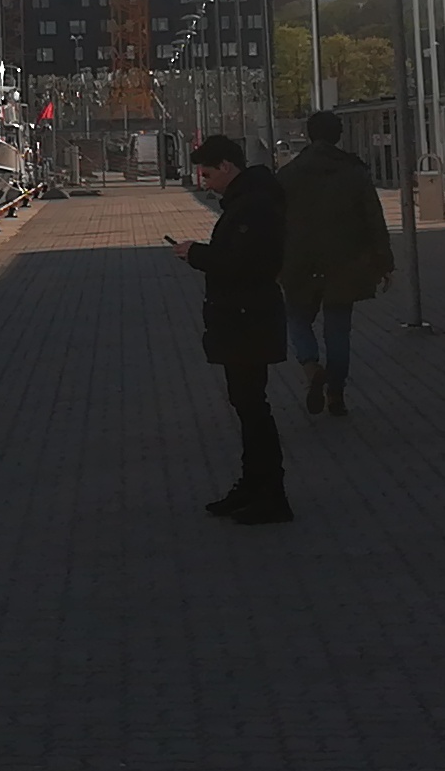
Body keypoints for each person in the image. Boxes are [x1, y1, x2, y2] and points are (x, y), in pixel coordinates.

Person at [166, 133, 292, 525]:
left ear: (227, 167)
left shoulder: (252, 207)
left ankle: (269, 494)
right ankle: (254, 485)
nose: (203, 181)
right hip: (244, 316)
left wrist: (197, 255)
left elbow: (243, 262)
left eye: (206, 173)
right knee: (247, 404)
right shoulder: (250, 201)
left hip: (247, 318)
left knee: (253, 408)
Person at [276, 109, 394, 418]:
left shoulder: (288, 174)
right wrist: (384, 262)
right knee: (338, 330)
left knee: (298, 317)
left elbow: (274, 222)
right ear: (338, 135)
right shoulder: (354, 172)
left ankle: (310, 364)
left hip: (299, 262)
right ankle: (336, 395)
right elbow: (374, 220)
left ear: (308, 134)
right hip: (345, 263)